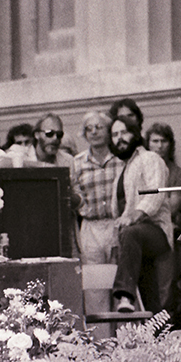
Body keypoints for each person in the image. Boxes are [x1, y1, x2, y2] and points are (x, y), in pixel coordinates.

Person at [108, 115, 174, 314]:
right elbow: (117, 212)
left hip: (155, 231)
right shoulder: (123, 168)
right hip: (135, 241)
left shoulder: (150, 159)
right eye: (114, 134)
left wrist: (134, 215)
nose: (119, 138)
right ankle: (161, 339)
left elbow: (156, 194)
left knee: (131, 233)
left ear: (135, 134)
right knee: (151, 301)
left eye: (124, 132)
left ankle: (125, 295)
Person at [73, 111, 125, 326]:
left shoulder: (121, 159)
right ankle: (100, 343)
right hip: (91, 227)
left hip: (117, 224)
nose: (94, 132)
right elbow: (74, 194)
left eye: (99, 127)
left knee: (120, 284)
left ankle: (126, 343)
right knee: (95, 289)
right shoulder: (77, 162)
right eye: (89, 128)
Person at [144, 122, 181, 326]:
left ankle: (164, 328)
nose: (159, 145)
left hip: (168, 234)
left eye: (164, 141)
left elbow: (172, 207)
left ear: (170, 144)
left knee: (166, 288)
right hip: (144, 232)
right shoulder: (141, 169)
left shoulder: (179, 173)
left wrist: (146, 208)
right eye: (155, 141)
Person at [0, 113, 74, 174]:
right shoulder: (21, 152)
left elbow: (74, 189)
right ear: (37, 134)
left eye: (59, 134)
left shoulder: (68, 160)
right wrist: (41, 165)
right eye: (49, 133)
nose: (55, 138)